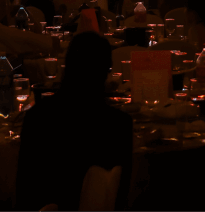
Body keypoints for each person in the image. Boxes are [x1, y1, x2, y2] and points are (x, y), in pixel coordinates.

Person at [16, 32, 133, 211]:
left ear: (67, 66)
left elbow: (24, 192)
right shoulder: (119, 124)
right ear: (106, 71)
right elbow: (120, 197)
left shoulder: (37, 117)